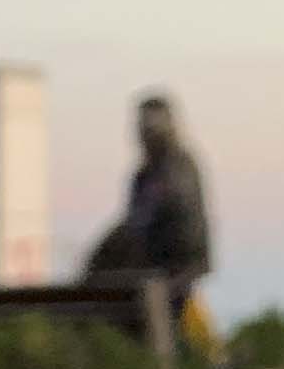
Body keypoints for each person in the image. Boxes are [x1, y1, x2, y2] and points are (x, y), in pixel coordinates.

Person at [83, 88, 214, 335]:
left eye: (151, 126)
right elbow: (136, 221)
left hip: (171, 267)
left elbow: (159, 221)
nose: (144, 133)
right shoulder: (146, 174)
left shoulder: (176, 168)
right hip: (154, 268)